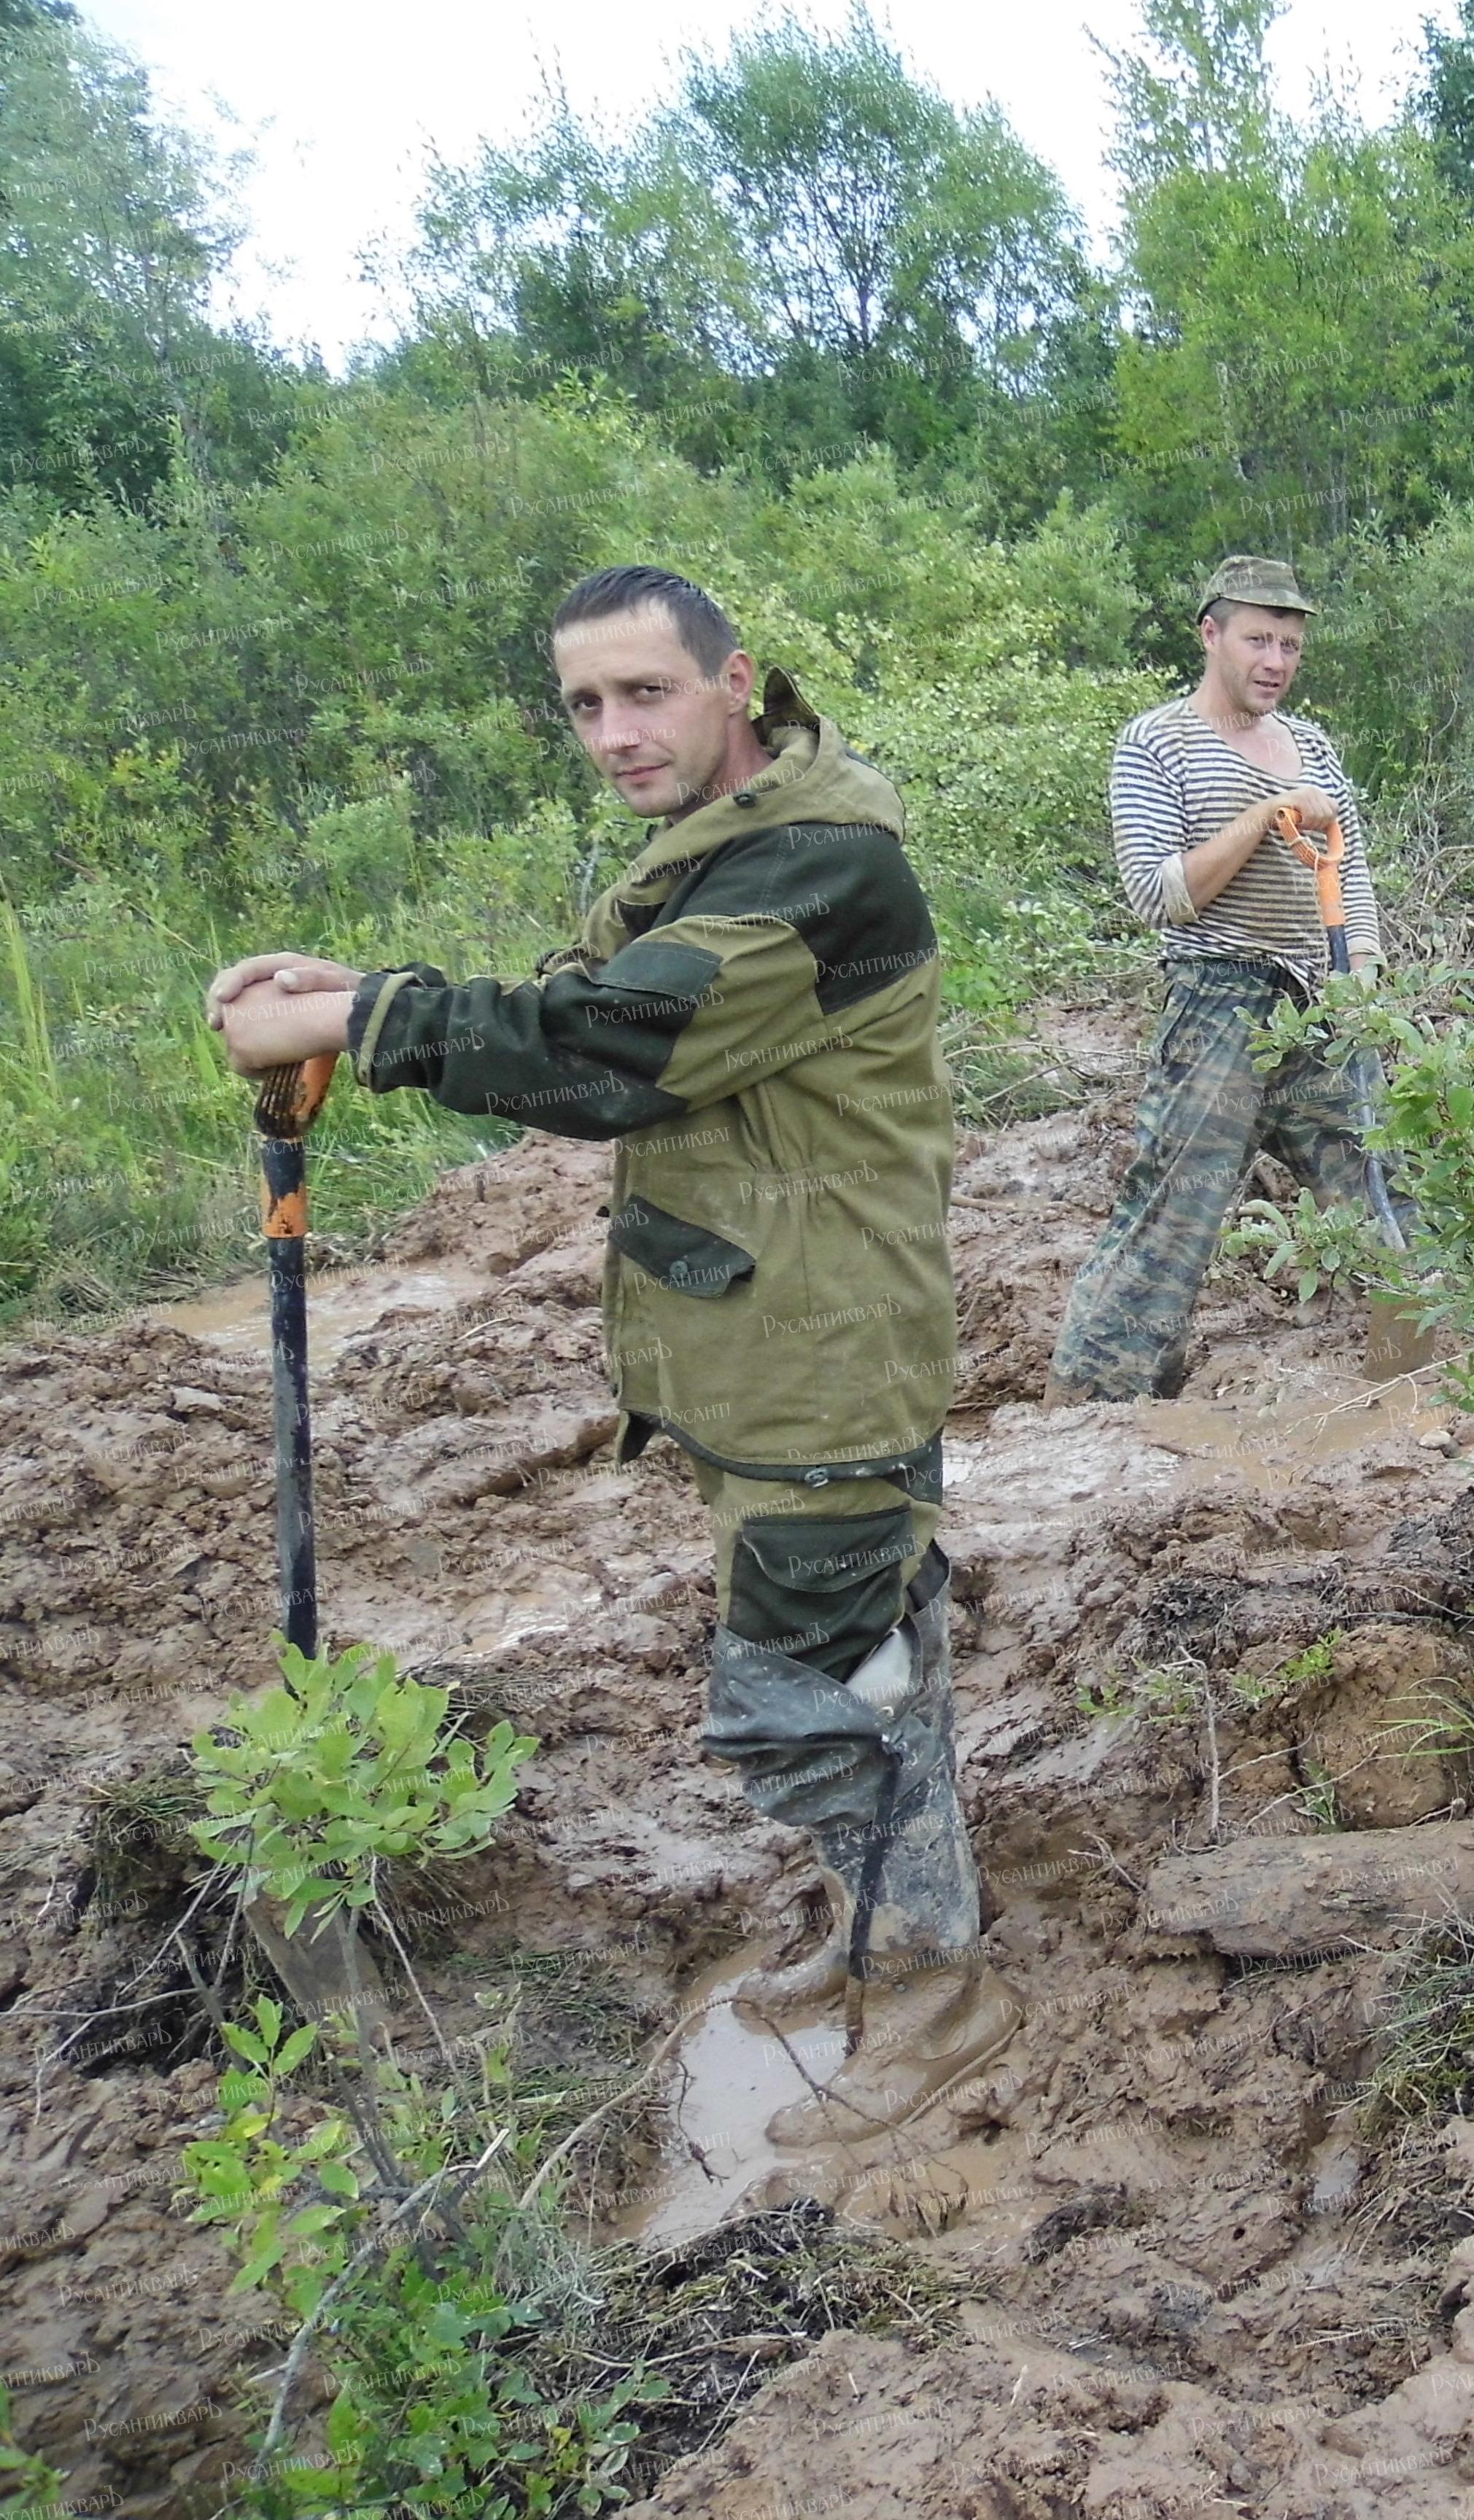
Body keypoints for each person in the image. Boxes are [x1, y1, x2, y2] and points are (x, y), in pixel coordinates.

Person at [203, 564, 1014, 2144]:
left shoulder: (821, 868)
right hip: (771, 1336)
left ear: (734, 682)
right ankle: (891, 1929)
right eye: (585, 704)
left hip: (821, 1356)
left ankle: (936, 1990)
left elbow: (612, 1050)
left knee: (803, 1697)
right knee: (869, 1654)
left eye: (646, 692)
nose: (615, 732)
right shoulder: (732, 841)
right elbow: (596, 996)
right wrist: (358, 995)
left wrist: (362, 1023)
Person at [1049, 555, 1387, 1403]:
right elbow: (1160, 894)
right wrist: (1265, 814)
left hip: (1321, 1002)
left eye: (1290, 646)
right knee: (1176, 1207)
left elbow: (1351, 873)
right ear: (1211, 634)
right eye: (1257, 641)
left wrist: (1365, 972)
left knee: (1391, 1183)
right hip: (1217, 1000)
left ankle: (1424, 1374)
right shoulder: (1156, 741)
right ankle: (1093, 1406)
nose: (1275, 661)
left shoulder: (1314, 747)